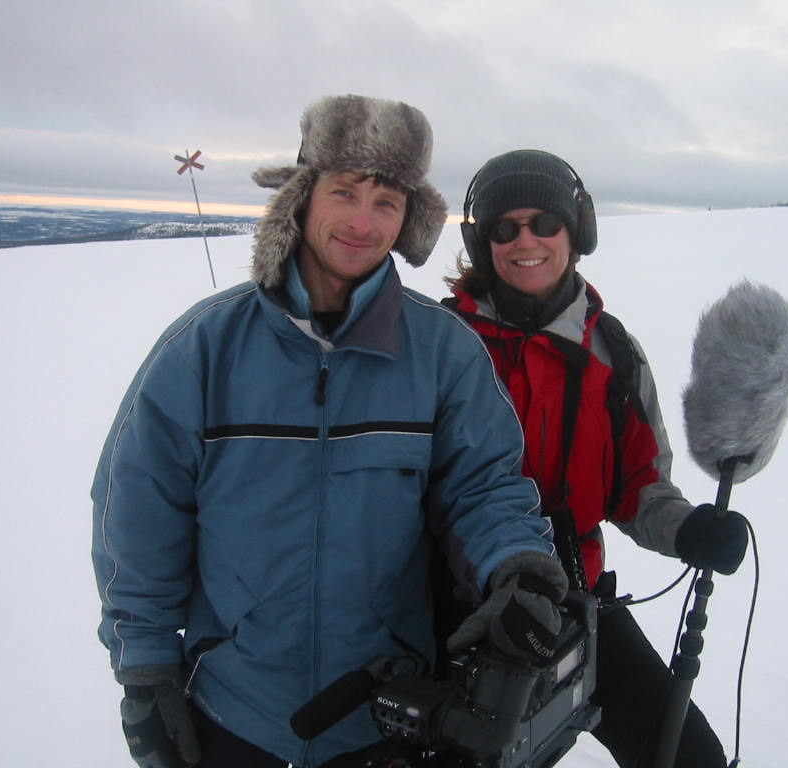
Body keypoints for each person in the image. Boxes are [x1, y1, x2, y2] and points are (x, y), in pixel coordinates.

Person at [91, 98, 569, 768]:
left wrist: (519, 568)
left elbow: (486, 488)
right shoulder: (204, 348)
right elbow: (138, 514)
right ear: (302, 196)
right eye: (344, 192)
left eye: (386, 202)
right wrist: (144, 671)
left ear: (409, 219)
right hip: (233, 713)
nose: (362, 222)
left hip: (382, 718)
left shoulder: (443, 354)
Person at [445, 149, 750, 768]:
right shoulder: (439, 343)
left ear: (576, 232)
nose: (524, 240)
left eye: (544, 224)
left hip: (575, 602)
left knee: (689, 756)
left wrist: (687, 528)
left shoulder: (613, 354)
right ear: (483, 244)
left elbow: (639, 486)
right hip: (454, 610)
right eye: (504, 228)